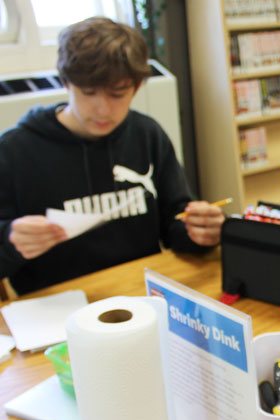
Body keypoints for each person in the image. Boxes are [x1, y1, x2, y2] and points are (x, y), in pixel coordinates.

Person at [0, 17, 224, 296]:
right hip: (55, 308)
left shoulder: (147, 134)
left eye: (118, 94)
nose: (103, 110)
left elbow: (174, 225)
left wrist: (201, 232)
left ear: (138, 87)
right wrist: (10, 242)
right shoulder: (13, 151)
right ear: (66, 82)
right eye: (88, 92)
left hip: (139, 295)